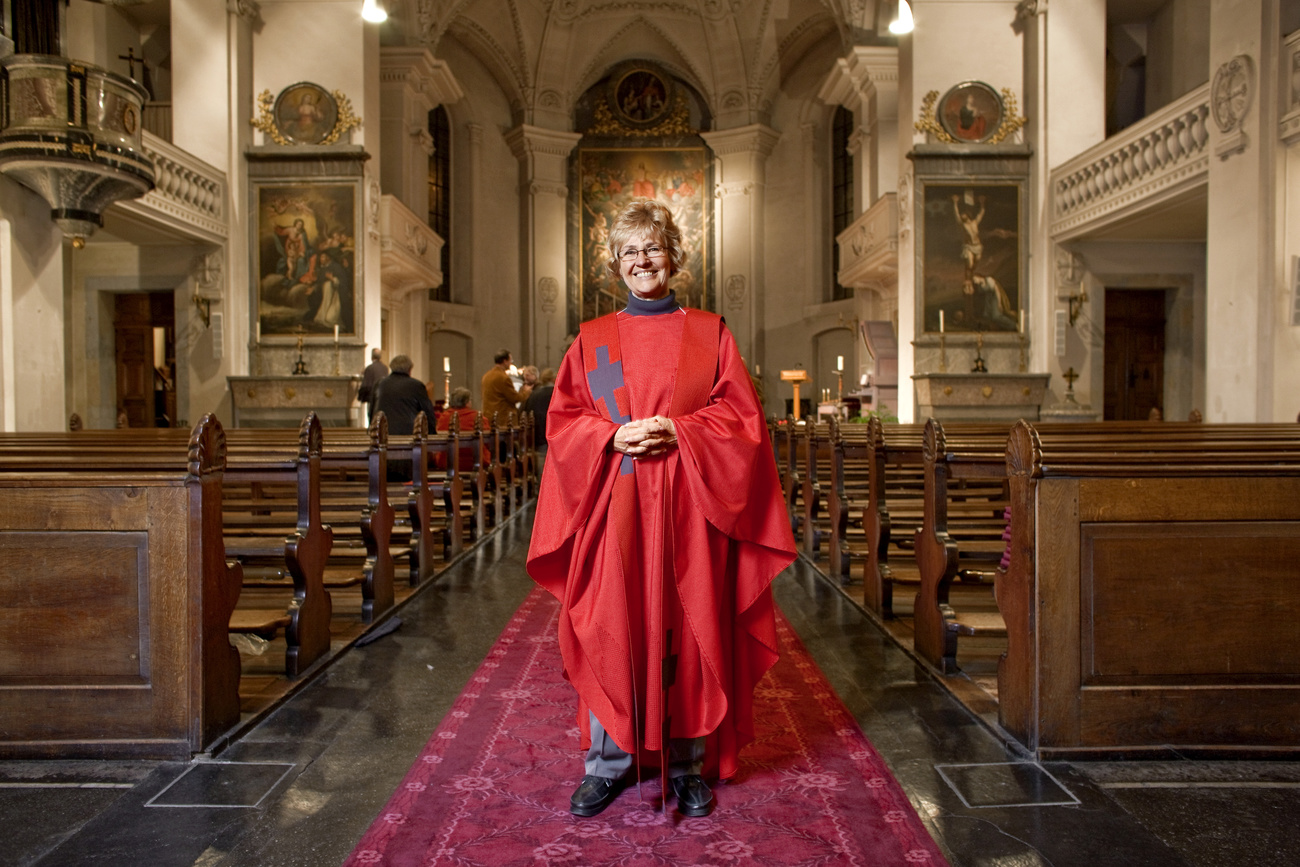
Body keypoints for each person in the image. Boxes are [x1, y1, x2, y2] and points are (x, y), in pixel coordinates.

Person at [527, 199, 796, 820]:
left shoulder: (711, 332)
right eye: (630, 251)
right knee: (610, 621)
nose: (642, 260)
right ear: (615, 265)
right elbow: (565, 421)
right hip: (614, 503)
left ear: (673, 256)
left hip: (690, 504)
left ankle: (684, 764)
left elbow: (742, 419)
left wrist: (682, 433)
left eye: (652, 248)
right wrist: (612, 436)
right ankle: (609, 763)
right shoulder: (592, 339)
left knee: (689, 620)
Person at [373, 354, 436, 437]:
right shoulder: (416, 385)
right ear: (410, 369)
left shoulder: (380, 384)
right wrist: (432, 434)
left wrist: (372, 431)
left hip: (382, 434)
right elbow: (427, 411)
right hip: (409, 435)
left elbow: (372, 410)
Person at [435, 387, 488, 472]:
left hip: (447, 462)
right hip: (476, 461)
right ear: (467, 403)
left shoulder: (443, 417)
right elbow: (487, 440)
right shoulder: (477, 417)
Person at [480, 349, 531, 430]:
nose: (511, 363)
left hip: (489, 416)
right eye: (510, 360)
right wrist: (526, 392)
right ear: (505, 361)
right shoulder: (503, 377)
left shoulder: (486, 376)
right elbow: (514, 398)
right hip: (503, 418)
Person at [522, 367, 555, 474]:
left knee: (542, 471)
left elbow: (523, 412)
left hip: (537, 437)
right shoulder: (557, 393)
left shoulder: (533, 394)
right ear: (554, 379)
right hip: (554, 436)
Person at [357, 348, 388, 425]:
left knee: (372, 416)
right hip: (383, 396)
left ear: (372, 357)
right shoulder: (385, 368)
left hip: (372, 396)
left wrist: (361, 397)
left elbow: (366, 385)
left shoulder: (370, 368)